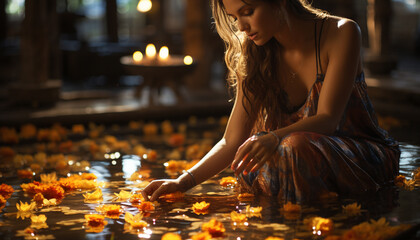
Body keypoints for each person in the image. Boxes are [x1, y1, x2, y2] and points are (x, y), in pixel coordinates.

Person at [142, 0, 400, 203]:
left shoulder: (342, 32)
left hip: (359, 156)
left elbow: (328, 119)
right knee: (265, 156)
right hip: (292, 158)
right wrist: (182, 182)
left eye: (248, 11)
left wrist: (274, 137)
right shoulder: (255, 52)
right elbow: (231, 139)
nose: (241, 26)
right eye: (234, 17)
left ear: (280, 1)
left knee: (292, 146)